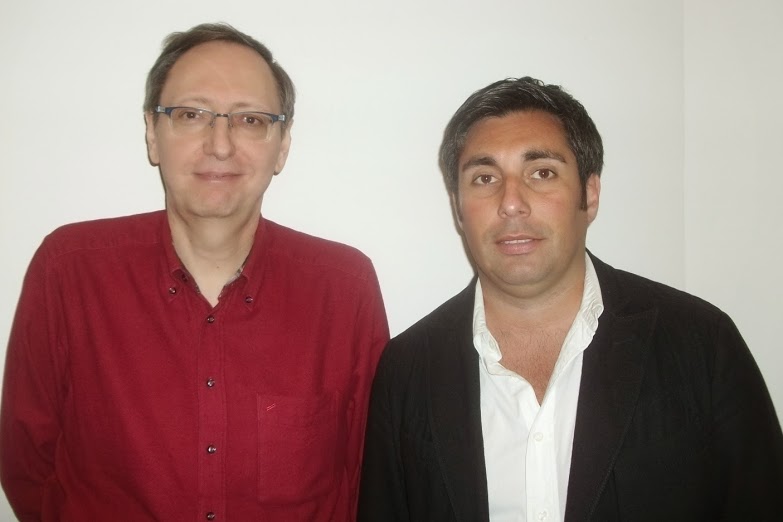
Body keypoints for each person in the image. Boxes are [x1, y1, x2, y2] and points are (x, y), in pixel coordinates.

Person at [0, 22, 389, 521]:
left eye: (250, 119)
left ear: (282, 145)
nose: (220, 144)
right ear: (152, 133)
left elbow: (368, 476)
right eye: (191, 114)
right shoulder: (69, 272)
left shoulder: (345, 290)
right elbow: (27, 464)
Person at [357, 77, 783, 521]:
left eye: (541, 173)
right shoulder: (408, 369)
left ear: (590, 195)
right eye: (484, 178)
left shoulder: (702, 346)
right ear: (458, 208)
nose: (511, 203)